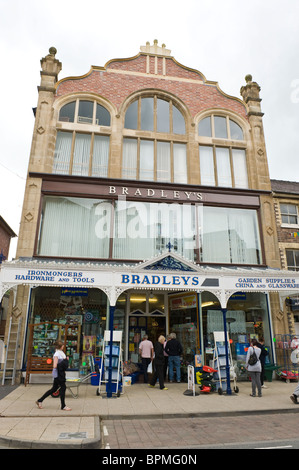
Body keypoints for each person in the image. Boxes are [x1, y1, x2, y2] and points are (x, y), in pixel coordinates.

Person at [36, 340, 71, 411]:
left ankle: (40, 400)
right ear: (60, 347)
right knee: (63, 388)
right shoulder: (57, 354)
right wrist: (64, 362)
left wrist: (65, 360)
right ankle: (63, 406)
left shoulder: (60, 353)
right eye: (63, 346)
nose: (63, 347)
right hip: (58, 374)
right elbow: (54, 366)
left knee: (54, 389)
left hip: (59, 374)